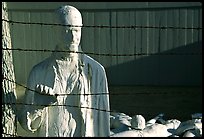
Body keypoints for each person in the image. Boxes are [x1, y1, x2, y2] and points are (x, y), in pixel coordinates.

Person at [18, 5, 110, 137]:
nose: (73, 37)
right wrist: (36, 108)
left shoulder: (96, 72)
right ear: (54, 30)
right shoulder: (38, 72)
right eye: (67, 30)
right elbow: (26, 125)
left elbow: (103, 125)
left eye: (77, 30)